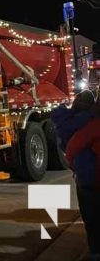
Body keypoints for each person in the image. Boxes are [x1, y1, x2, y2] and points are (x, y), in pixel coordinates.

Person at [65, 102, 100, 260]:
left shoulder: (92, 127)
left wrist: (77, 169)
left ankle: (95, 251)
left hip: (92, 184)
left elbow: (71, 151)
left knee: (92, 220)